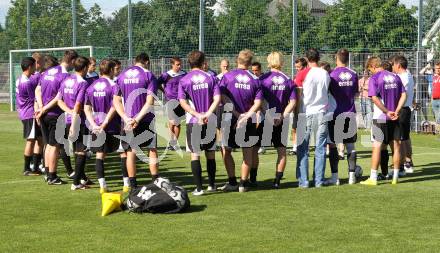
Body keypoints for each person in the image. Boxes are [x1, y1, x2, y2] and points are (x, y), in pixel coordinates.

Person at [218, 49, 262, 192]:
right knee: (247, 153)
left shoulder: (227, 76)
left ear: (237, 60)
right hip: (248, 120)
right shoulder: (255, 79)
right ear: (250, 63)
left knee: (226, 150)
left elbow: (222, 97)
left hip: (230, 118)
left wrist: (236, 114)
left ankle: (232, 182)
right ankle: (243, 184)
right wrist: (246, 115)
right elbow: (258, 103)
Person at [113, 53, 159, 189]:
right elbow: (149, 101)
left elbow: (116, 100)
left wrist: (126, 118)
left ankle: (133, 186)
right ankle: (156, 182)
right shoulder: (148, 75)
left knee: (131, 152)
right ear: (146, 61)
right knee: (152, 149)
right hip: (145, 119)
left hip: (127, 121)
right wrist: (137, 119)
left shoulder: (121, 76)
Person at [178, 50, 220, 196]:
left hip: (193, 121)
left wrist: (197, 115)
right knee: (211, 153)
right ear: (203, 62)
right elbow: (217, 99)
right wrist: (207, 114)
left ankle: (199, 188)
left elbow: (182, 102)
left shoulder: (184, 80)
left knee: (195, 154)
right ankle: (212, 185)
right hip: (210, 120)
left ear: (189, 63)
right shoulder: (211, 77)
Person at [360, 57, 407, 186]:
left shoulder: (374, 79)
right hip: (395, 116)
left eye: (369, 70)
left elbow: (374, 99)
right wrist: (397, 110)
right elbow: (404, 94)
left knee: (376, 147)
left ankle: (373, 177)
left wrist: (386, 111)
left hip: (381, 116)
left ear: (373, 66)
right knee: (396, 146)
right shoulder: (395, 76)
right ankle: (395, 177)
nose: (370, 72)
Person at [35, 50, 78, 185]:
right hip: (54, 114)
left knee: (48, 144)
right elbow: (58, 97)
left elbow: (38, 90)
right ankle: (52, 176)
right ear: (71, 61)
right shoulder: (65, 76)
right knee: (54, 146)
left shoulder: (48, 72)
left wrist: (41, 107)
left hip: (43, 114)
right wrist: (45, 108)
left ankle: (48, 173)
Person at [260, 52, 296, 188]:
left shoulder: (263, 79)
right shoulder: (287, 80)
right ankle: (277, 181)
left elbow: (260, 101)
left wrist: (268, 115)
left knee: (253, 149)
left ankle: (251, 178)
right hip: (282, 119)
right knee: (281, 151)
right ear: (282, 62)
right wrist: (282, 116)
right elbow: (292, 102)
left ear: (269, 62)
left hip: (265, 118)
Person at [84, 59, 121, 193]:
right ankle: (128, 184)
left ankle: (102, 186)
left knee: (100, 155)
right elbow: (115, 107)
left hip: (96, 127)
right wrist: (105, 124)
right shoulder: (114, 86)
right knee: (123, 153)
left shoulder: (91, 87)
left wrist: (94, 125)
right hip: (112, 126)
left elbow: (87, 108)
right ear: (111, 70)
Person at [296, 48, 330, 188]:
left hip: (307, 111)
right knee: (320, 148)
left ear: (306, 58)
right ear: (318, 57)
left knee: (303, 148)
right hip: (322, 111)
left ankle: (304, 181)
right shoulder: (325, 73)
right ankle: (319, 181)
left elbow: (298, 95)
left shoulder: (302, 73)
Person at [325, 49, 359, 185]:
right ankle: (352, 177)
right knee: (350, 146)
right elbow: (355, 93)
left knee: (333, 145)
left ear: (336, 58)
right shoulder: (354, 74)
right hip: (350, 113)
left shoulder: (331, 75)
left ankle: (335, 178)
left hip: (335, 114)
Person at [57, 56, 91, 190]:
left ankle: (81, 178)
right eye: (87, 67)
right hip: (78, 121)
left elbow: (59, 100)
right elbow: (78, 105)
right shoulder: (82, 83)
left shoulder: (66, 80)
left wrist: (69, 113)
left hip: (67, 119)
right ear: (84, 68)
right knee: (81, 150)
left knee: (78, 150)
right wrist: (74, 121)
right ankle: (76, 182)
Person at [16, 57, 41, 176]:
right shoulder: (27, 83)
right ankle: (26, 169)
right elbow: (34, 98)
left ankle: (35, 167)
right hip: (29, 113)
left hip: (25, 112)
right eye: (35, 65)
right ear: (30, 66)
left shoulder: (21, 78)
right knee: (31, 140)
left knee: (39, 140)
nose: (36, 67)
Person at [392, 55, 415, 174]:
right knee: (405, 137)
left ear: (398, 65)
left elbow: (401, 95)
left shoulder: (402, 77)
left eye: (393, 64)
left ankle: (401, 166)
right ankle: (408, 162)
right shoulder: (409, 75)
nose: (392, 67)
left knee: (400, 139)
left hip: (402, 110)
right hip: (406, 109)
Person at [157, 57, 186, 150]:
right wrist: (164, 91)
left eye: (180, 64)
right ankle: (171, 141)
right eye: (177, 64)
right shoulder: (166, 75)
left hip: (181, 101)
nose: (179, 66)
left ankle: (174, 143)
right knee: (172, 121)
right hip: (170, 101)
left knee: (177, 123)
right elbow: (157, 83)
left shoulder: (184, 74)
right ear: (172, 65)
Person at [290, 57, 308, 155]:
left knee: (304, 128)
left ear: (304, 66)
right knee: (295, 127)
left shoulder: (308, 75)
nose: (297, 69)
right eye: (296, 67)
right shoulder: (297, 76)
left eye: (299, 67)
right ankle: (295, 147)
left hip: (305, 106)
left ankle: (305, 148)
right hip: (297, 105)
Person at [216, 59, 230, 149]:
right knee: (218, 124)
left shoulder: (231, 77)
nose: (225, 68)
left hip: (229, 104)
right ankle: (219, 142)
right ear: (220, 66)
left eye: (227, 66)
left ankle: (227, 142)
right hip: (219, 104)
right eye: (224, 66)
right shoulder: (217, 77)